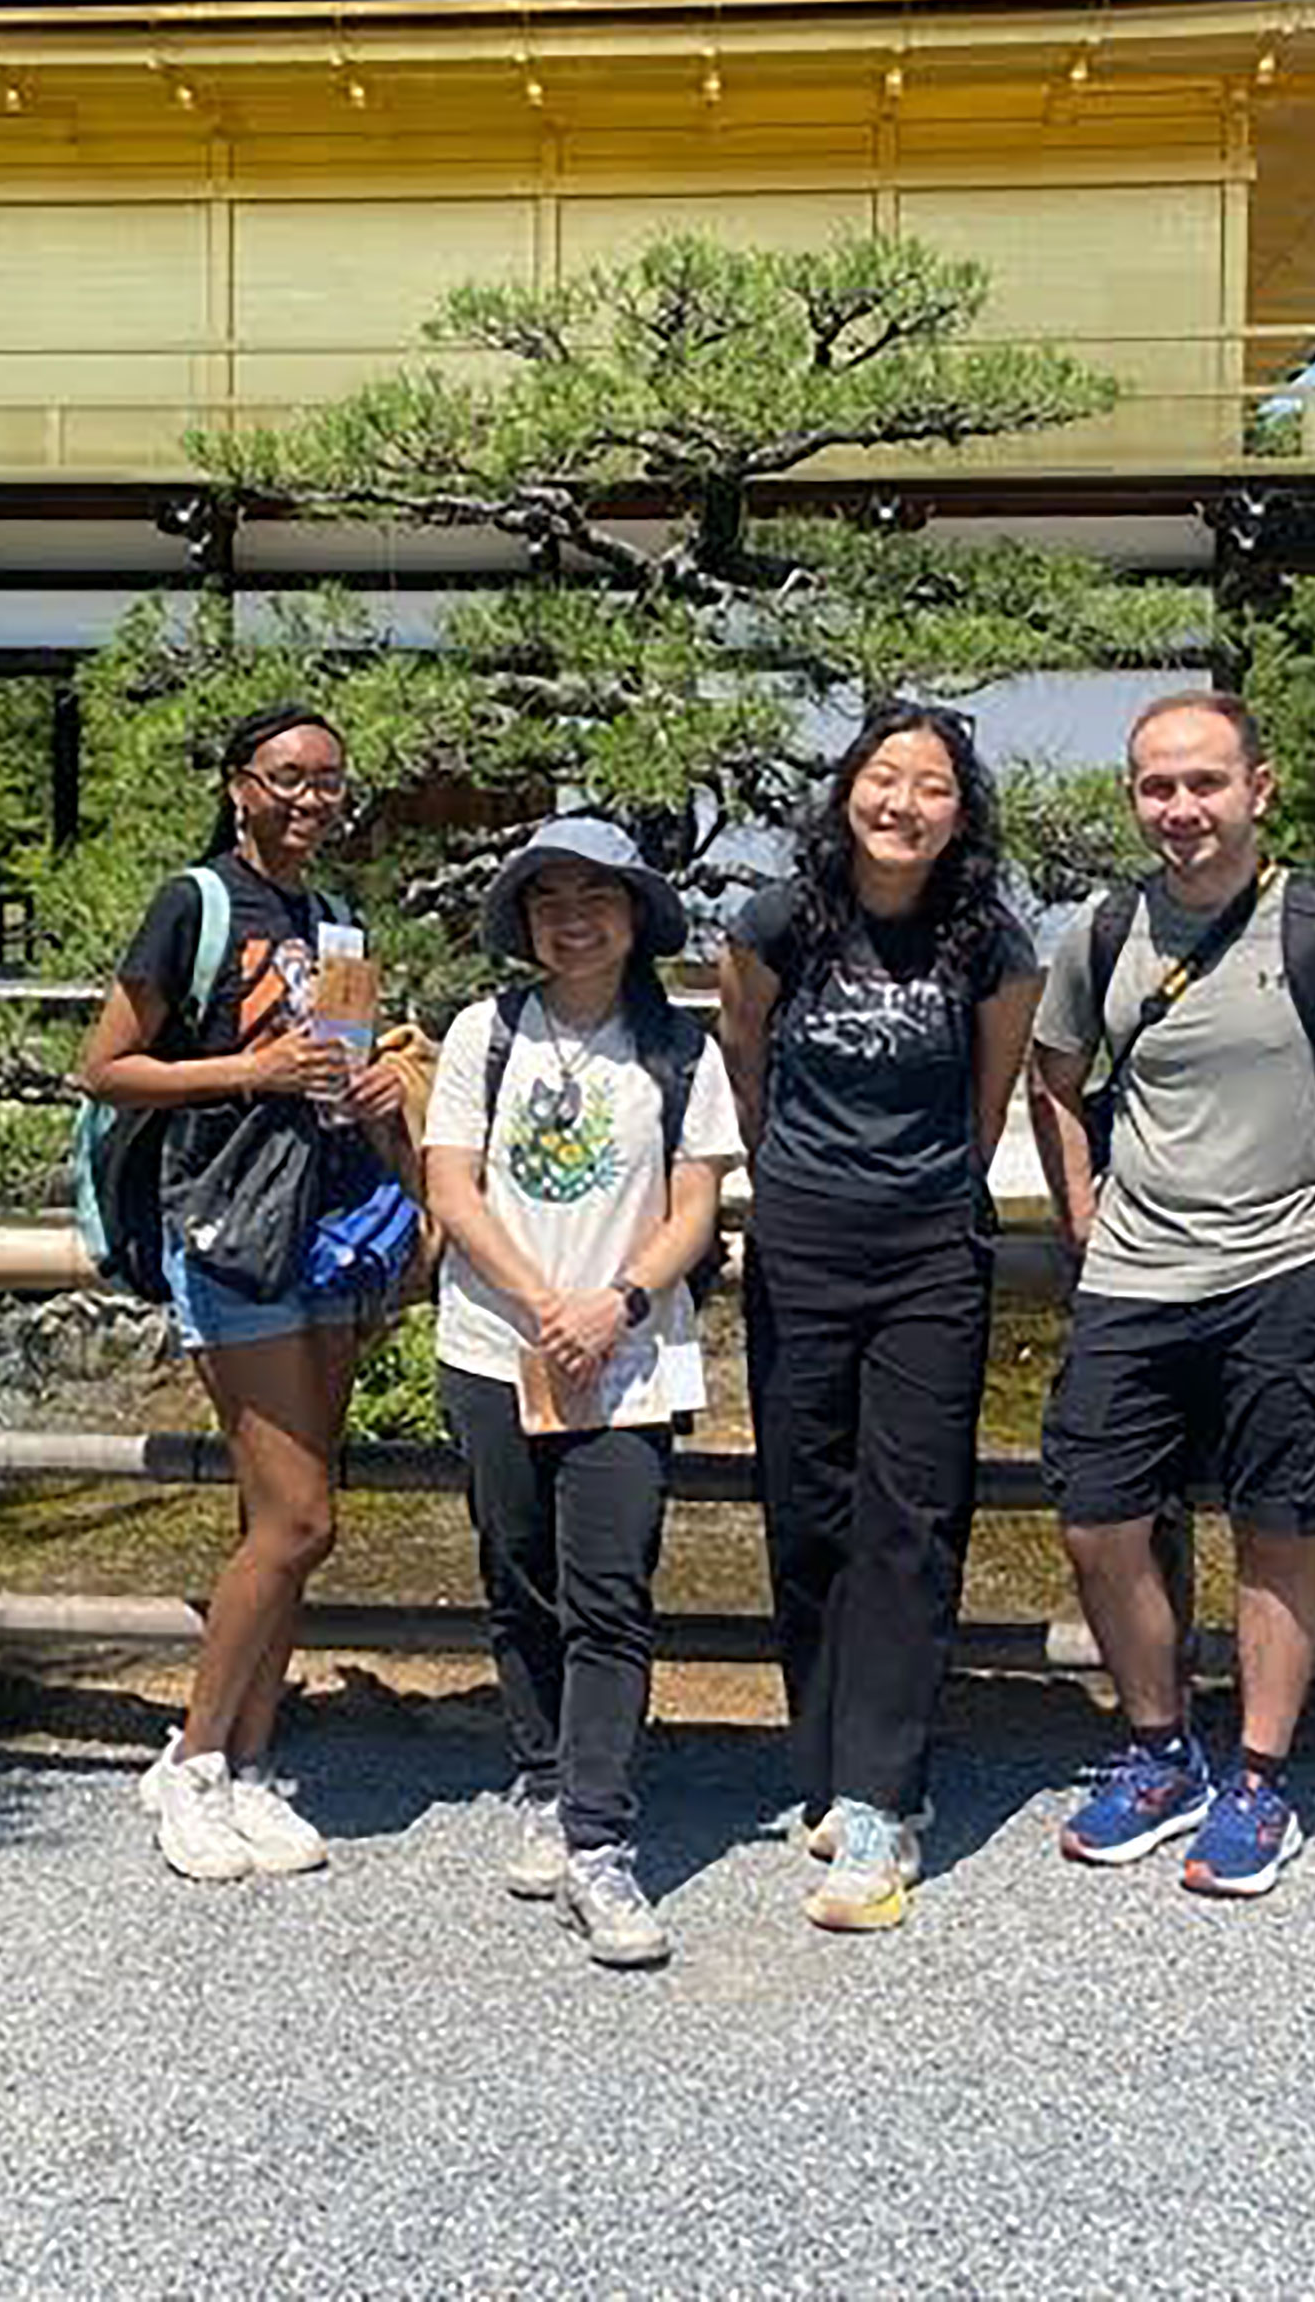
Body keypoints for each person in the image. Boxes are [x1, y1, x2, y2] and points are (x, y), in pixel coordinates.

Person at [1027, 690, 1315, 1897]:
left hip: (1284, 1271)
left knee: (1278, 1527)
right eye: (1158, 786)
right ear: (1133, 799)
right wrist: (1076, 1208)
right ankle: (1161, 1752)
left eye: (1205, 782)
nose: (1182, 808)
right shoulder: (1105, 930)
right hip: (1134, 1275)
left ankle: (1259, 1780)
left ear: (1258, 789)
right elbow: (1054, 1078)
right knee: (1097, 1518)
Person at [79, 701, 418, 1884]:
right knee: (299, 1516)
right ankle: (191, 1761)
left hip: (326, 1220)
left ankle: (253, 1759)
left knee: (279, 1525)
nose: (310, 800)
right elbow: (106, 1065)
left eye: (329, 781)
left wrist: (371, 1089)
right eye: (287, 778)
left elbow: (340, 1058)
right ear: (238, 785)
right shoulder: (196, 903)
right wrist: (252, 1068)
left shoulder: (338, 920)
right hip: (227, 1227)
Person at [718, 701, 1041, 1932]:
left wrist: (920, 1195)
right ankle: (826, 1757)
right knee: (805, 1506)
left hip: (927, 1251)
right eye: (883, 777)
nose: (903, 803)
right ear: (847, 789)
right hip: (801, 1235)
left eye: (933, 786)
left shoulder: (992, 946)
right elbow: (743, 1055)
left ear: (964, 813)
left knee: (910, 1517)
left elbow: (987, 1100)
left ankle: (882, 1797)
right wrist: (787, 1173)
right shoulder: (780, 922)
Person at [424, 817, 743, 1970]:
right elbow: (452, 1185)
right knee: (517, 1572)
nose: (572, 915)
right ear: (523, 920)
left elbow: (697, 1204)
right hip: (493, 1340)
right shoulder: (483, 1033)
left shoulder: (680, 1049)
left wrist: (611, 1301)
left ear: (635, 914)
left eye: (595, 895)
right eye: (548, 896)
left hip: (628, 1354)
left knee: (611, 1591)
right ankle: (543, 1775)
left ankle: (601, 1837)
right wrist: (541, 1299)